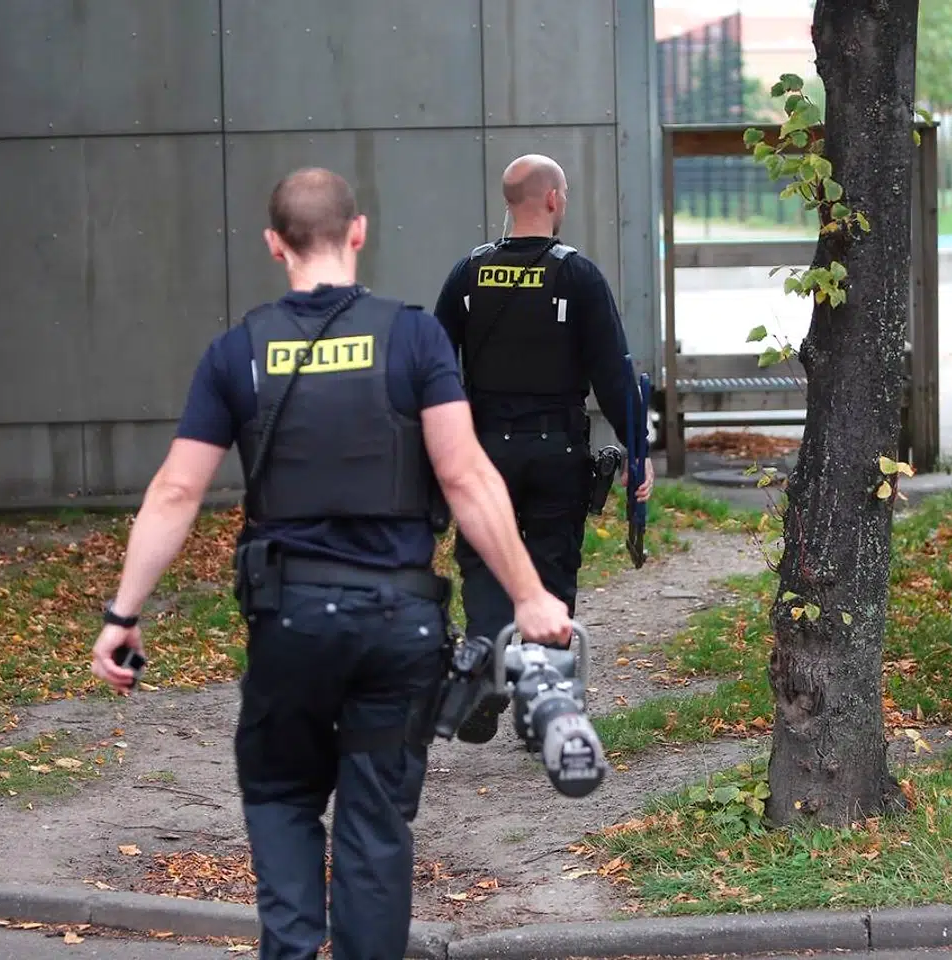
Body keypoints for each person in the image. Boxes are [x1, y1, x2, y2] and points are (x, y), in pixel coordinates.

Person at [88, 167, 572, 960]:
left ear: (275, 245)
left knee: (280, 798)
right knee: (376, 824)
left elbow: (177, 489)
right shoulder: (414, 339)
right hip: (399, 626)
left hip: (290, 624)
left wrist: (123, 616)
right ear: (359, 232)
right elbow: (464, 475)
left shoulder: (237, 353)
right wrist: (528, 595)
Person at [432, 154, 652, 742]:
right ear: (553, 199)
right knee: (552, 568)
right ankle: (541, 711)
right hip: (556, 451)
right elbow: (613, 372)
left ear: (511, 201)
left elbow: (433, 367)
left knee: (482, 560)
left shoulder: (467, 273)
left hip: (484, 453)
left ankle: (481, 669)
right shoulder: (577, 275)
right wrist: (637, 451)